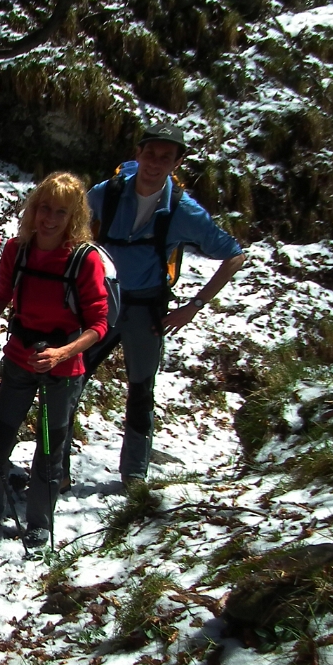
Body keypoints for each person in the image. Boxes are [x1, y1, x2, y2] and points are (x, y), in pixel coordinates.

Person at [74, 122, 246, 486]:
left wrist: (195, 305)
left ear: (177, 162)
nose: (154, 163)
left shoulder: (184, 210)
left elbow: (233, 255)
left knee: (140, 390)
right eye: (149, 153)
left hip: (146, 311)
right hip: (101, 303)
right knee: (70, 379)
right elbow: (72, 224)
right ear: (138, 154)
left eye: (165, 157)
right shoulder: (110, 192)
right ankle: (53, 469)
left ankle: (134, 475)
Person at [0, 172, 109, 550]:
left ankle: (40, 521)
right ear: (34, 208)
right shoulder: (18, 250)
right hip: (19, 360)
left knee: (50, 447)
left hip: (63, 368)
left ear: (74, 216)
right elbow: (0, 298)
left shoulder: (84, 259)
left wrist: (62, 353)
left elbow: (98, 324)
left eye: (61, 212)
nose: (50, 218)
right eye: (44, 208)